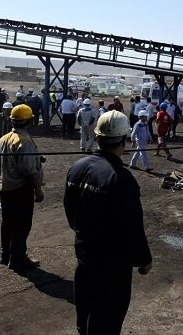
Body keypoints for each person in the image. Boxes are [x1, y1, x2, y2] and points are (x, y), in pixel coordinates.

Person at [64, 110, 152, 335]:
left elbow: (69, 210)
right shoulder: (121, 178)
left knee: (85, 316)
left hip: (84, 257)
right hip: (111, 266)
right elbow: (132, 226)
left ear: (98, 137)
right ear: (124, 140)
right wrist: (143, 259)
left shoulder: (78, 167)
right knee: (107, 321)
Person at [0, 104, 45, 273]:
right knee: (22, 225)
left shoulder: (3, 139)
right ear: (30, 121)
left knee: (7, 223)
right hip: (21, 189)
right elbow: (29, 170)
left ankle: (6, 254)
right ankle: (18, 260)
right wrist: (38, 191)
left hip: (5, 187)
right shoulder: (25, 141)